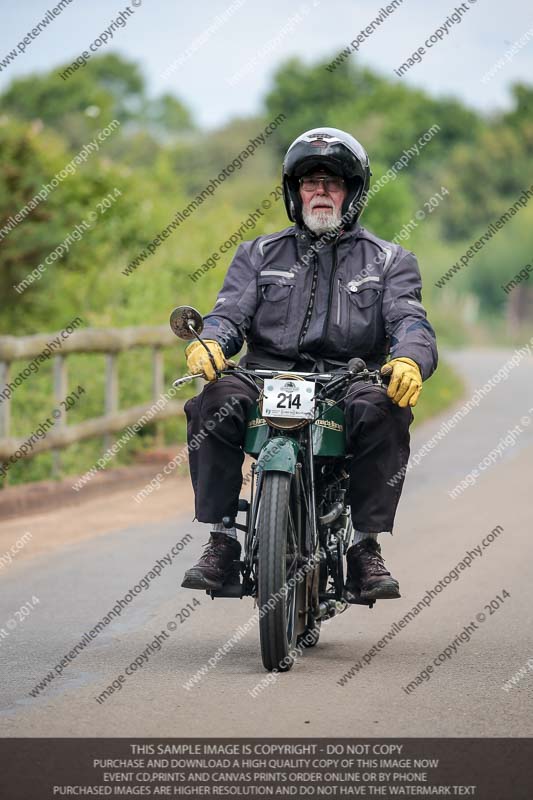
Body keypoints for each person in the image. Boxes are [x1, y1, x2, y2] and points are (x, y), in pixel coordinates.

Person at [181, 127, 438, 601]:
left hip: (348, 378)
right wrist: (211, 343)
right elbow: (228, 314)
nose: (320, 191)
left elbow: (410, 320)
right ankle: (221, 539)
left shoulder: (390, 260)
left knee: (383, 408)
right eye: (310, 182)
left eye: (332, 182)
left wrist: (408, 358)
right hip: (263, 376)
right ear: (294, 192)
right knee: (213, 400)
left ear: (352, 191)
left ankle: (365, 548)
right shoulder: (256, 253)